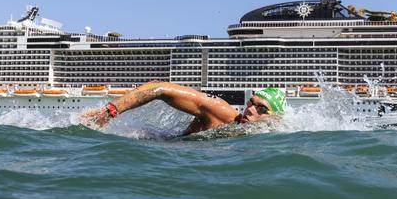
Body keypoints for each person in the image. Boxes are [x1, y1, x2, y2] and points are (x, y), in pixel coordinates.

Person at [80, 81, 286, 135]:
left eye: (261, 109)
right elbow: (158, 88)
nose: (250, 110)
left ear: (275, 119)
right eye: (251, 103)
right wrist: (109, 112)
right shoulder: (221, 112)